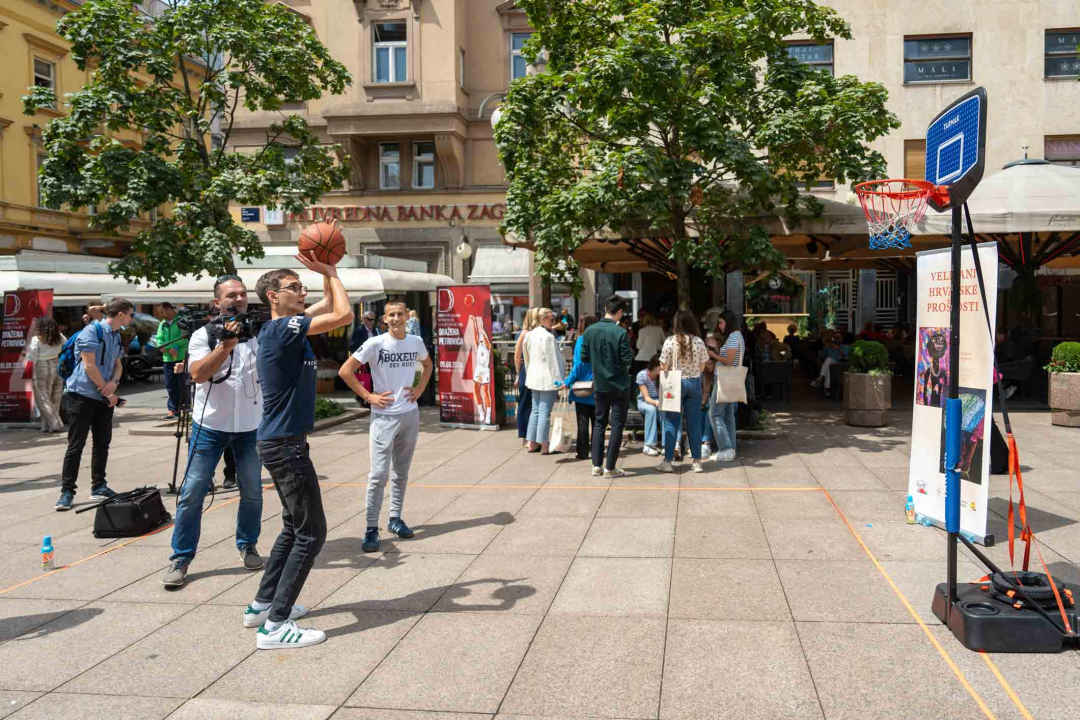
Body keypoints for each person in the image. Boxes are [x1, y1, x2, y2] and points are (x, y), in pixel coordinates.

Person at [249, 254, 353, 650]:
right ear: (274, 296)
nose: (302, 291)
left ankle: (262, 605)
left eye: (302, 286)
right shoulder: (283, 329)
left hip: (280, 442)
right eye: (294, 287)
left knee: (294, 526)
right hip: (285, 445)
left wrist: (325, 268)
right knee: (312, 532)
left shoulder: (282, 328)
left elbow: (327, 305)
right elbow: (343, 314)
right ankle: (275, 628)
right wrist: (332, 273)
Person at [162, 275, 267, 589]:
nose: (238, 299)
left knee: (252, 492)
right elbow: (197, 374)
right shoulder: (202, 336)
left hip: (250, 427)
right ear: (217, 302)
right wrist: (225, 346)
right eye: (231, 295)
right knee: (192, 493)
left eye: (242, 293)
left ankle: (247, 544)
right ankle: (181, 558)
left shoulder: (260, 333)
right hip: (210, 427)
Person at [341, 301, 433, 554]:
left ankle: (395, 519)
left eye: (400, 314)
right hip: (383, 417)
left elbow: (427, 366)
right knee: (378, 475)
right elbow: (345, 371)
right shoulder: (374, 343)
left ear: (406, 316)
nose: (395, 319)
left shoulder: (415, 341)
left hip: (409, 415)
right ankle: (371, 527)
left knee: (401, 472)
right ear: (384, 319)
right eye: (391, 315)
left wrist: (420, 388)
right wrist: (369, 397)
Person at [56, 298, 133, 511]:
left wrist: (114, 383)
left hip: (104, 395)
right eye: (129, 314)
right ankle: (67, 491)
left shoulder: (116, 335)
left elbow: (118, 365)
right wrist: (107, 393)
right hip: (81, 395)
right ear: (120, 314)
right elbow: (89, 367)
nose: (130, 318)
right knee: (76, 445)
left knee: (102, 443)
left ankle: (98, 486)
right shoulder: (91, 332)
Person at [580, 295, 633, 477]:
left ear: (605, 309)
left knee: (599, 423)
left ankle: (596, 465)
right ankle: (610, 467)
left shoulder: (589, 331)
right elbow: (627, 358)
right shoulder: (620, 333)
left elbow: (584, 357)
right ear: (618, 312)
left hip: (600, 384)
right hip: (619, 384)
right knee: (617, 424)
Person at [658, 310, 709, 473]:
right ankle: (697, 462)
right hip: (694, 383)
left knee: (672, 422)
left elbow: (663, 366)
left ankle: (667, 461)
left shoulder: (670, 341)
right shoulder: (699, 342)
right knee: (694, 423)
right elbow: (703, 367)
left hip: (675, 383)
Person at [523, 308, 565, 455]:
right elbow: (553, 362)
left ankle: (533, 443)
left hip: (534, 377)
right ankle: (544, 445)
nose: (552, 322)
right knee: (544, 413)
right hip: (547, 379)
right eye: (550, 319)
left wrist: (529, 374)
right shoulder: (547, 337)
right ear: (543, 319)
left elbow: (526, 358)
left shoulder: (529, 335)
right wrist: (559, 381)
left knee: (535, 411)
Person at [709, 310, 745, 462]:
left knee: (715, 414)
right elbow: (731, 358)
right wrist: (717, 349)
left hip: (725, 378)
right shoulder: (738, 336)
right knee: (728, 414)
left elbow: (729, 361)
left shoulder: (733, 337)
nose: (719, 325)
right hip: (732, 378)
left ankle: (725, 448)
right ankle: (731, 447)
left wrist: (713, 355)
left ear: (728, 322)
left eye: (721, 322)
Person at [565, 315, 599, 461]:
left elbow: (578, 365)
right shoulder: (600, 340)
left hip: (582, 387)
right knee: (598, 422)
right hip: (598, 385)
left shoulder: (581, 340)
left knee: (583, 420)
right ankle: (597, 451)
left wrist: (567, 381)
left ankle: (583, 452)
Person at [27, 317, 66, 433]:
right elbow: (66, 344)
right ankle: (46, 426)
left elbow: (32, 356)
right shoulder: (58, 336)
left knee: (43, 398)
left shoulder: (36, 339)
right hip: (57, 364)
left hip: (42, 366)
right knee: (55, 398)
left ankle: (55, 423)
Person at [154, 302, 189, 421]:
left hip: (181, 358)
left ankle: (186, 408)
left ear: (169, 309)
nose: (161, 315)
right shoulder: (162, 324)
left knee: (183, 384)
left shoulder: (182, 320)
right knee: (170, 385)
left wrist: (173, 346)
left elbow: (185, 338)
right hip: (168, 359)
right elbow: (158, 340)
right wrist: (166, 348)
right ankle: (173, 410)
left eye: (162, 312)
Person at [514, 308, 540, 447]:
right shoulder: (524, 333)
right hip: (527, 370)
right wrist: (518, 374)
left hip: (533, 369)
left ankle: (531, 437)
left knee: (533, 405)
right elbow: (517, 356)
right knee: (525, 404)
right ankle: (525, 437)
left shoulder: (535, 333)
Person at [636, 355, 662, 456]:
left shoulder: (662, 376)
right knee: (651, 410)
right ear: (656, 366)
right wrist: (657, 403)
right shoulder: (642, 375)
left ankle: (665, 443)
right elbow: (646, 398)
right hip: (644, 401)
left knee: (665, 411)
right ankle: (648, 445)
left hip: (658, 400)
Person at [811, 331, 849, 397]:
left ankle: (819, 379)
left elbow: (846, 357)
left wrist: (838, 349)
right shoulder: (828, 346)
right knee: (828, 366)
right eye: (834, 338)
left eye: (838, 338)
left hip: (839, 365)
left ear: (841, 338)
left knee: (828, 360)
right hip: (829, 365)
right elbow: (822, 356)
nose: (836, 339)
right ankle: (827, 390)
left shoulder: (845, 347)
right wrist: (826, 347)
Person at [472, 317, 493, 424]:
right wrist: (474, 322)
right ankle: (481, 412)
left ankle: (488, 415)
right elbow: (476, 333)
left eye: (482, 336)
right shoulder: (478, 344)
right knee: (476, 389)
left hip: (485, 369)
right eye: (480, 336)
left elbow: (484, 336)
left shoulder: (488, 346)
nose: (480, 337)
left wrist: (483, 329)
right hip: (478, 368)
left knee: (485, 391)